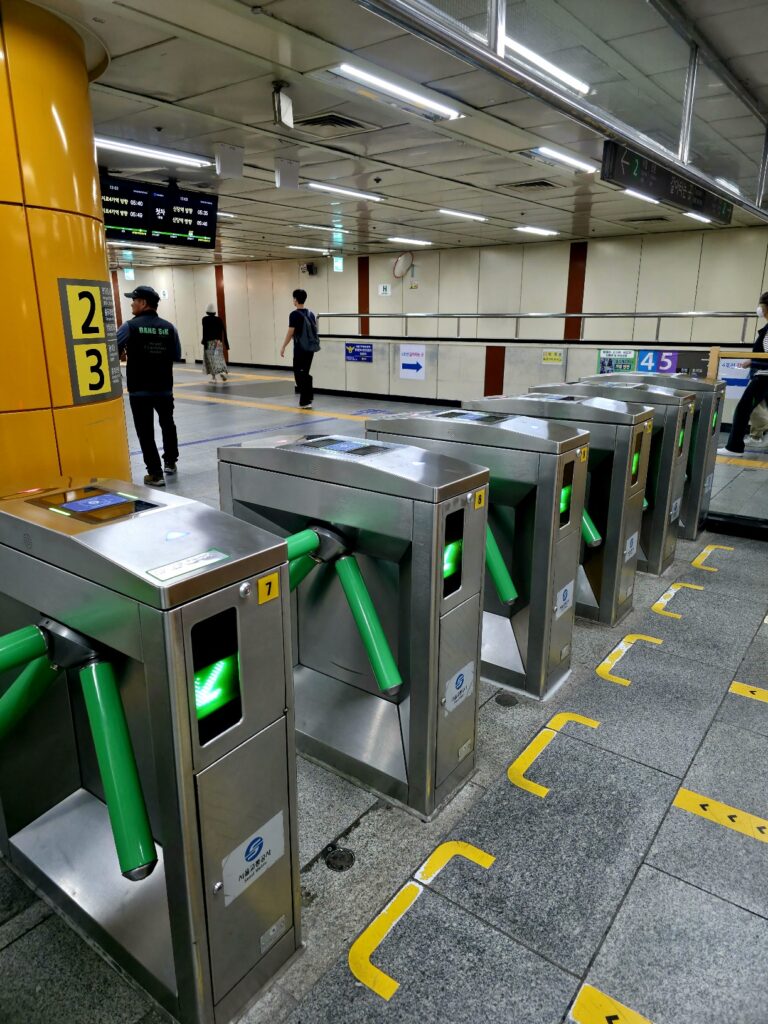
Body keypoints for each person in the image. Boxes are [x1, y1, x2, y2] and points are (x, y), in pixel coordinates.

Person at [117, 285, 182, 486]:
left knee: (145, 432)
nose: (131, 304)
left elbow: (111, 348)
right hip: (164, 387)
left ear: (143, 303)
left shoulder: (129, 326)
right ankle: (170, 462)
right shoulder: (169, 327)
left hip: (140, 389)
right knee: (167, 424)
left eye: (134, 300)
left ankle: (155, 473)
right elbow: (176, 354)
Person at [718, 291, 768, 457]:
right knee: (746, 408)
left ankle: (734, 447)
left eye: (761, 305)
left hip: (764, 377)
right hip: (763, 375)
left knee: (743, 408)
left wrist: (752, 362)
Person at [279, 288, 320, 409]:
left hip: (300, 349)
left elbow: (290, 332)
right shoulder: (311, 314)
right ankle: (306, 400)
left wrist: (283, 346)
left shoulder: (294, 314)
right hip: (310, 348)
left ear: (295, 300)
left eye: (293, 298)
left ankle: (306, 400)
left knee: (298, 374)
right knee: (305, 373)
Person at [201, 302, 229, 383]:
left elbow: (205, 331)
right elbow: (223, 331)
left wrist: (204, 342)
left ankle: (214, 378)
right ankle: (222, 372)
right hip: (218, 343)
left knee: (211, 360)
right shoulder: (219, 319)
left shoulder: (205, 319)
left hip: (209, 343)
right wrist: (226, 344)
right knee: (219, 358)